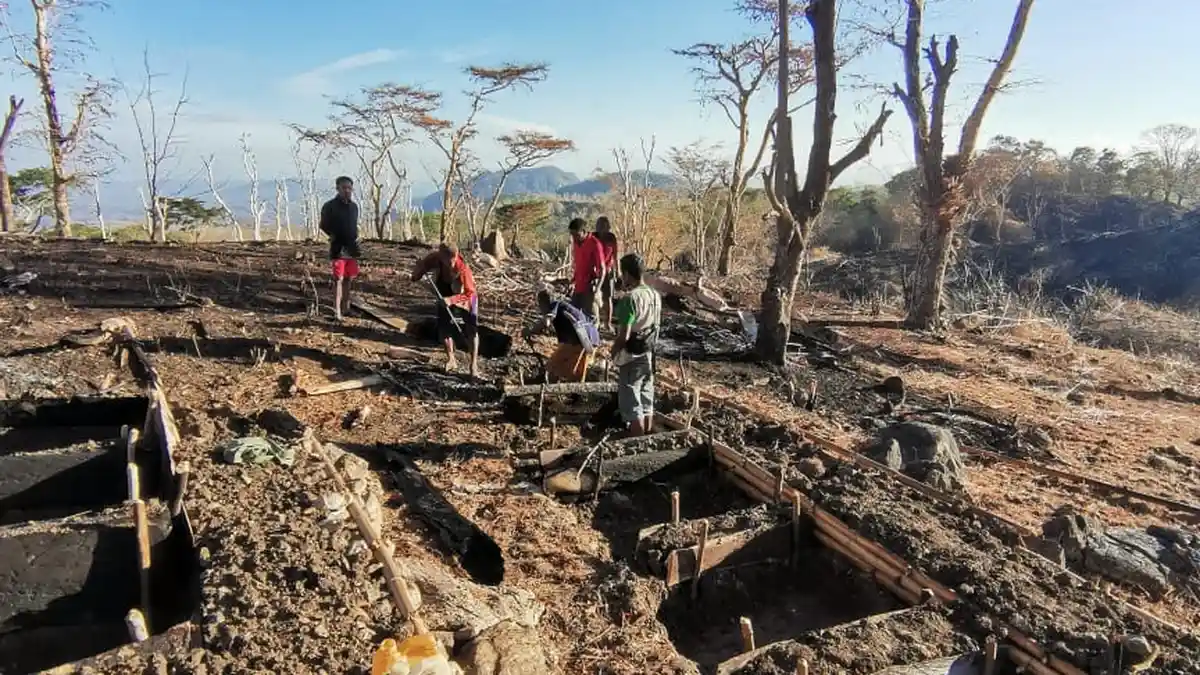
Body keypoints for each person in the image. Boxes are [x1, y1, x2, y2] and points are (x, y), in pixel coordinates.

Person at [611, 253, 661, 437]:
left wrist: (614, 351)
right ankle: (646, 439)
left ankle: (635, 441)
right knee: (646, 401)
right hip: (649, 353)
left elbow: (624, 334)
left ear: (627, 274)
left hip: (632, 354)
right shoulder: (654, 295)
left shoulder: (630, 299)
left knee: (631, 404)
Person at [411, 244, 479, 376]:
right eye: (447, 260)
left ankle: (473, 365)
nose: (450, 264)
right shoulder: (434, 258)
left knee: (472, 330)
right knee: (444, 327)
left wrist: (452, 301)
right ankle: (451, 359)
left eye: (452, 260)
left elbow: (470, 293)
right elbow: (415, 276)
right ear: (441, 256)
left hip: (467, 297)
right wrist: (419, 270)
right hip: (444, 293)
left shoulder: (464, 269)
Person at [524, 286, 600, 382]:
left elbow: (547, 322)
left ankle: (544, 387)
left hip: (579, 338)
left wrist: (530, 330)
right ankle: (577, 394)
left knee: (552, 368)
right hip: (592, 338)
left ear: (544, 302)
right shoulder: (565, 306)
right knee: (577, 373)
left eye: (540, 304)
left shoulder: (555, 304)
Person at [319, 176, 361, 321]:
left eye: (349, 188)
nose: (347, 191)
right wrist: (333, 235)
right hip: (338, 247)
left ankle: (346, 308)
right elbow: (323, 225)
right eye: (344, 188)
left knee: (349, 278)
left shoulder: (354, 207)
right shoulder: (329, 206)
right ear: (337, 188)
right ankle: (336, 311)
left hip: (351, 247)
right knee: (338, 279)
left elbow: (354, 225)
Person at [568, 218, 605, 321]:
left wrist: (597, 290)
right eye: (572, 235)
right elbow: (578, 264)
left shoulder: (595, 244)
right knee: (572, 315)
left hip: (590, 287)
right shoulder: (576, 243)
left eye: (576, 235)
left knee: (591, 319)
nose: (574, 238)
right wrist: (573, 280)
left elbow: (603, 269)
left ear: (584, 232)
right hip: (578, 286)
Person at [594, 216, 619, 332]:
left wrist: (617, 271)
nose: (602, 229)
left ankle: (607, 323)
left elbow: (615, 256)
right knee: (594, 296)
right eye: (600, 226)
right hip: (595, 271)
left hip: (608, 271)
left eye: (604, 226)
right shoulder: (593, 237)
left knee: (608, 298)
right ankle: (596, 321)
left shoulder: (611, 238)